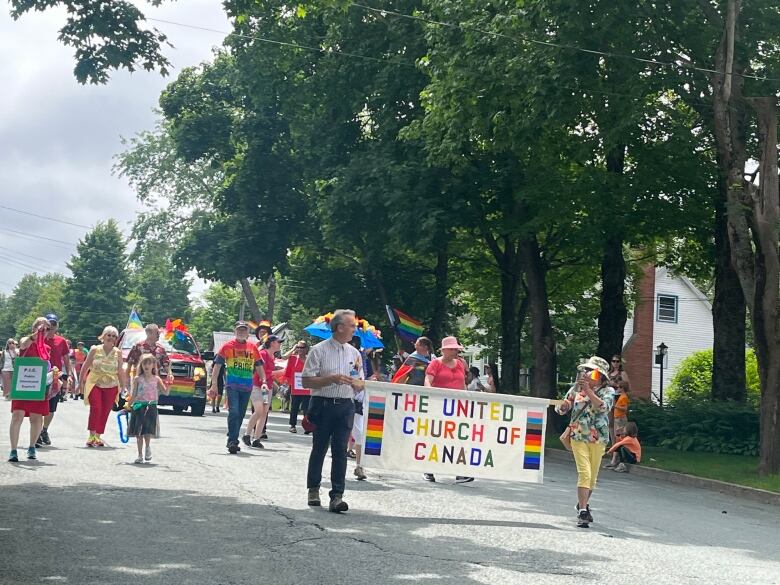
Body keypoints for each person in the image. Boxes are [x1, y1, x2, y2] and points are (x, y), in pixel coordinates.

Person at [302, 309, 363, 513]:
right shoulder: (318, 350)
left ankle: (337, 496)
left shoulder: (354, 353)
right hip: (322, 403)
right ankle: (313, 488)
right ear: (339, 327)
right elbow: (306, 380)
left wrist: (358, 383)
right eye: (352, 325)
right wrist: (330, 379)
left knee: (340, 451)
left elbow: (360, 381)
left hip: (345, 405)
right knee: (319, 448)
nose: (355, 329)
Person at [555, 356, 615, 528]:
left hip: (598, 438)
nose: (587, 374)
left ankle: (582, 505)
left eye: (592, 371)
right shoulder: (576, 389)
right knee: (585, 473)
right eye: (586, 370)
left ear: (601, 376)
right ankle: (582, 510)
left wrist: (589, 391)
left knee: (593, 478)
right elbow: (560, 408)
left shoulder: (607, 391)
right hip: (578, 435)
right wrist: (564, 406)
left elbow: (604, 407)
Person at [207, 321, 265, 454]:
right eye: (239, 330)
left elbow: (259, 365)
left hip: (247, 386)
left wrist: (264, 380)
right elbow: (217, 366)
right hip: (232, 385)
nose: (241, 332)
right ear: (234, 332)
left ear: (248, 333)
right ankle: (233, 441)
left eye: (244, 330)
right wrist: (214, 383)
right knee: (234, 412)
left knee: (240, 414)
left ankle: (232, 433)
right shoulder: (227, 347)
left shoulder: (252, 348)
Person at [423, 336, 471, 484]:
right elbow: (428, 381)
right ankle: (428, 469)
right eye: (452, 348)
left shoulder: (460, 364)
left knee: (458, 437)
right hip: (439, 406)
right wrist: (431, 394)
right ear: (444, 350)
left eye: (456, 349)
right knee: (436, 436)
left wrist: (467, 400)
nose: (455, 351)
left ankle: (459, 471)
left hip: (457, 407)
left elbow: (462, 384)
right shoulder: (435, 363)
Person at [8, 318, 51, 462]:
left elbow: (47, 366)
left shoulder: (47, 348)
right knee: (17, 416)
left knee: (37, 417)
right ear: (34, 327)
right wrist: (35, 335)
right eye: (41, 328)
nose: (44, 331)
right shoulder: (26, 341)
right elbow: (23, 344)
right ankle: (13, 450)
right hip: (22, 384)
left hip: (38, 386)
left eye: (47, 329)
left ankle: (32, 447)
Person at [79, 326, 127, 447]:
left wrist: (124, 386)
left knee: (105, 410)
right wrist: (80, 383)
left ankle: (98, 436)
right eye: (108, 335)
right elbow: (85, 366)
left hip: (111, 384)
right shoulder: (95, 349)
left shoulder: (118, 352)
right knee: (96, 408)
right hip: (95, 382)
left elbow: (120, 370)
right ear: (103, 336)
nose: (111, 338)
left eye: (113, 336)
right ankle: (91, 435)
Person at [37, 313, 73, 447]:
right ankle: (37, 431)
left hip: (55, 376)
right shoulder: (39, 339)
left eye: (54, 324)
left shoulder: (61, 341)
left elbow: (66, 359)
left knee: (51, 408)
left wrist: (67, 376)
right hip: (40, 376)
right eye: (49, 324)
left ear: (57, 325)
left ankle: (44, 430)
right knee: (39, 406)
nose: (51, 327)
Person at [127, 353, 168, 463]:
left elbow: (166, 392)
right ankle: (140, 455)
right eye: (144, 363)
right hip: (139, 406)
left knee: (147, 432)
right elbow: (134, 394)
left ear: (153, 366)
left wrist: (169, 383)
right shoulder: (137, 379)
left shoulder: (156, 379)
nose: (146, 366)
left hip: (151, 406)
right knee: (138, 433)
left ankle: (147, 448)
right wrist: (128, 406)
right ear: (141, 365)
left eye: (149, 363)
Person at [241, 335, 275, 448]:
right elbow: (261, 370)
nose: (280, 343)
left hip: (267, 388)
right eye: (278, 341)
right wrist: (275, 374)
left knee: (264, 412)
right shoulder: (263, 354)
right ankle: (247, 434)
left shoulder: (272, 356)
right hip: (257, 386)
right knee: (259, 410)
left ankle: (257, 438)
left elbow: (269, 372)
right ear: (271, 343)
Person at [285, 340, 311, 433]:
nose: (300, 349)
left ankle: (307, 426)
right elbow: (284, 359)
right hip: (295, 387)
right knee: (294, 407)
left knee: (307, 408)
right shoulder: (293, 358)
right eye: (298, 347)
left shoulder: (310, 359)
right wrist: (293, 349)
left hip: (307, 387)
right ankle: (292, 425)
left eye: (302, 347)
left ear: (306, 349)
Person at [608, 355, 630, 444]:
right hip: (610, 397)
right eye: (614, 361)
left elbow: (627, 387)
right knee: (610, 422)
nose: (615, 363)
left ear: (620, 363)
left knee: (618, 422)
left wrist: (615, 385)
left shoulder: (622, 373)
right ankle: (613, 444)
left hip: (619, 398)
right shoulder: (608, 373)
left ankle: (619, 444)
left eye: (617, 361)